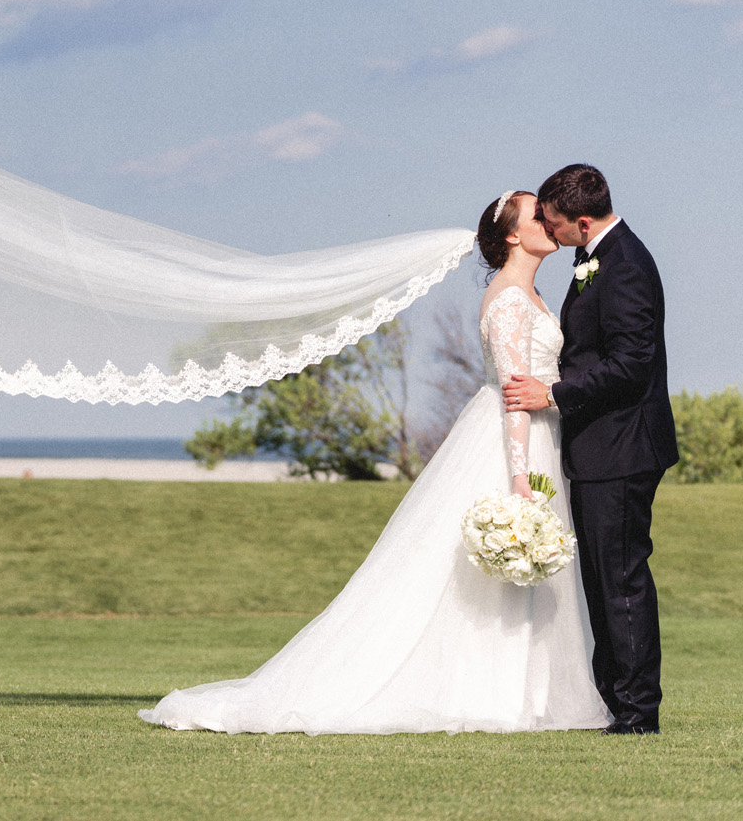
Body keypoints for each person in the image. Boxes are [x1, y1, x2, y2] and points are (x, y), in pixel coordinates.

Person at [138, 191, 611, 734]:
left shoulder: (533, 295)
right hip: (514, 441)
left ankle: (527, 696)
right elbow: (511, 394)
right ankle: (493, 695)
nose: (550, 221)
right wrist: (521, 479)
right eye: (537, 214)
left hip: (543, 435)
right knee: (484, 569)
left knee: (521, 575)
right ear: (511, 235)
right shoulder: (507, 300)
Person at [504, 164, 677, 736]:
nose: (551, 235)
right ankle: (613, 700)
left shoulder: (623, 265)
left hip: (622, 448)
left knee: (620, 578)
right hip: (602, 447)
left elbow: (630, 365)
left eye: (555, 226)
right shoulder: (596, 255)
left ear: (582, 220)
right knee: (604, 581)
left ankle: (636, 712)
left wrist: (551, 393)